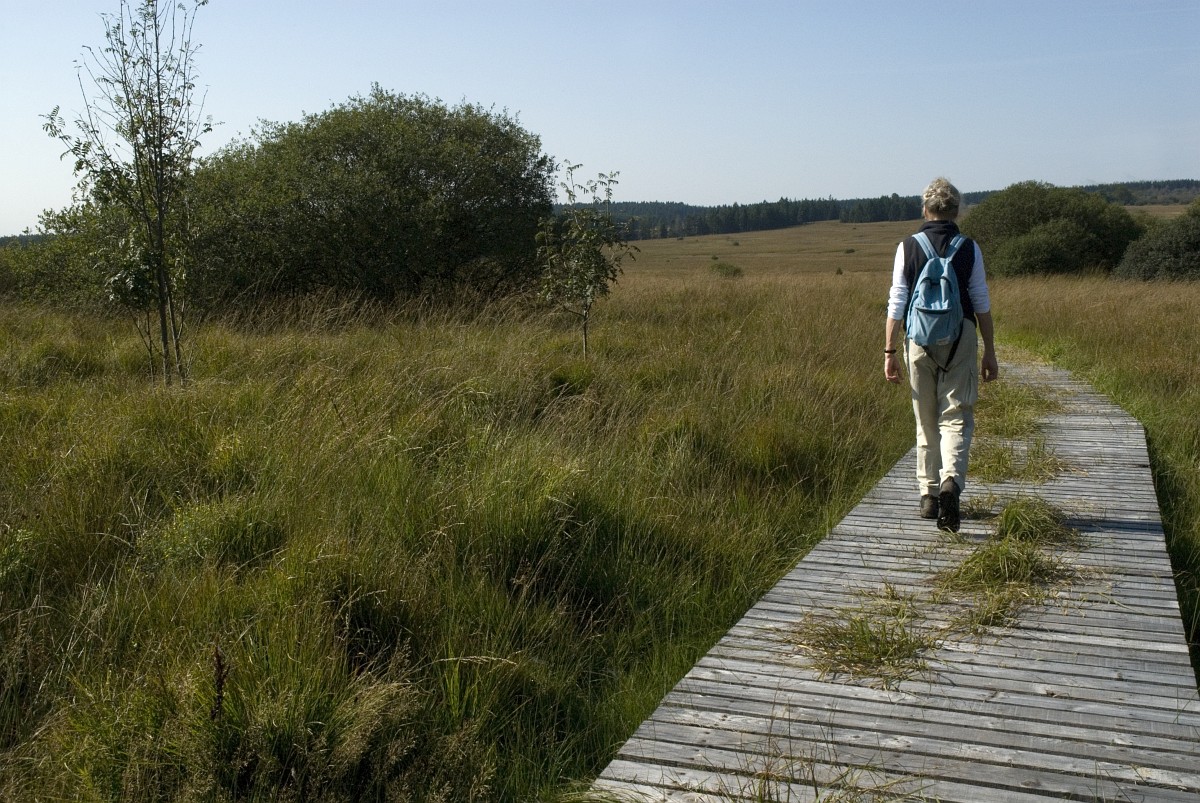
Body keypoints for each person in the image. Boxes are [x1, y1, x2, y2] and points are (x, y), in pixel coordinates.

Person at [884, 178, 998, 532]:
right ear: (956, 211)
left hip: (918, 339)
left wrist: (889, 350)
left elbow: (898, 301)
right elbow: (980, 300)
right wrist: (990, 351)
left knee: (925, 418)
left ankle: (929, 496)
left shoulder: (908, 246)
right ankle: (952, 481)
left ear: (925, 209)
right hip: (961, 335)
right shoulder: (969, 248)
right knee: (956, 415)